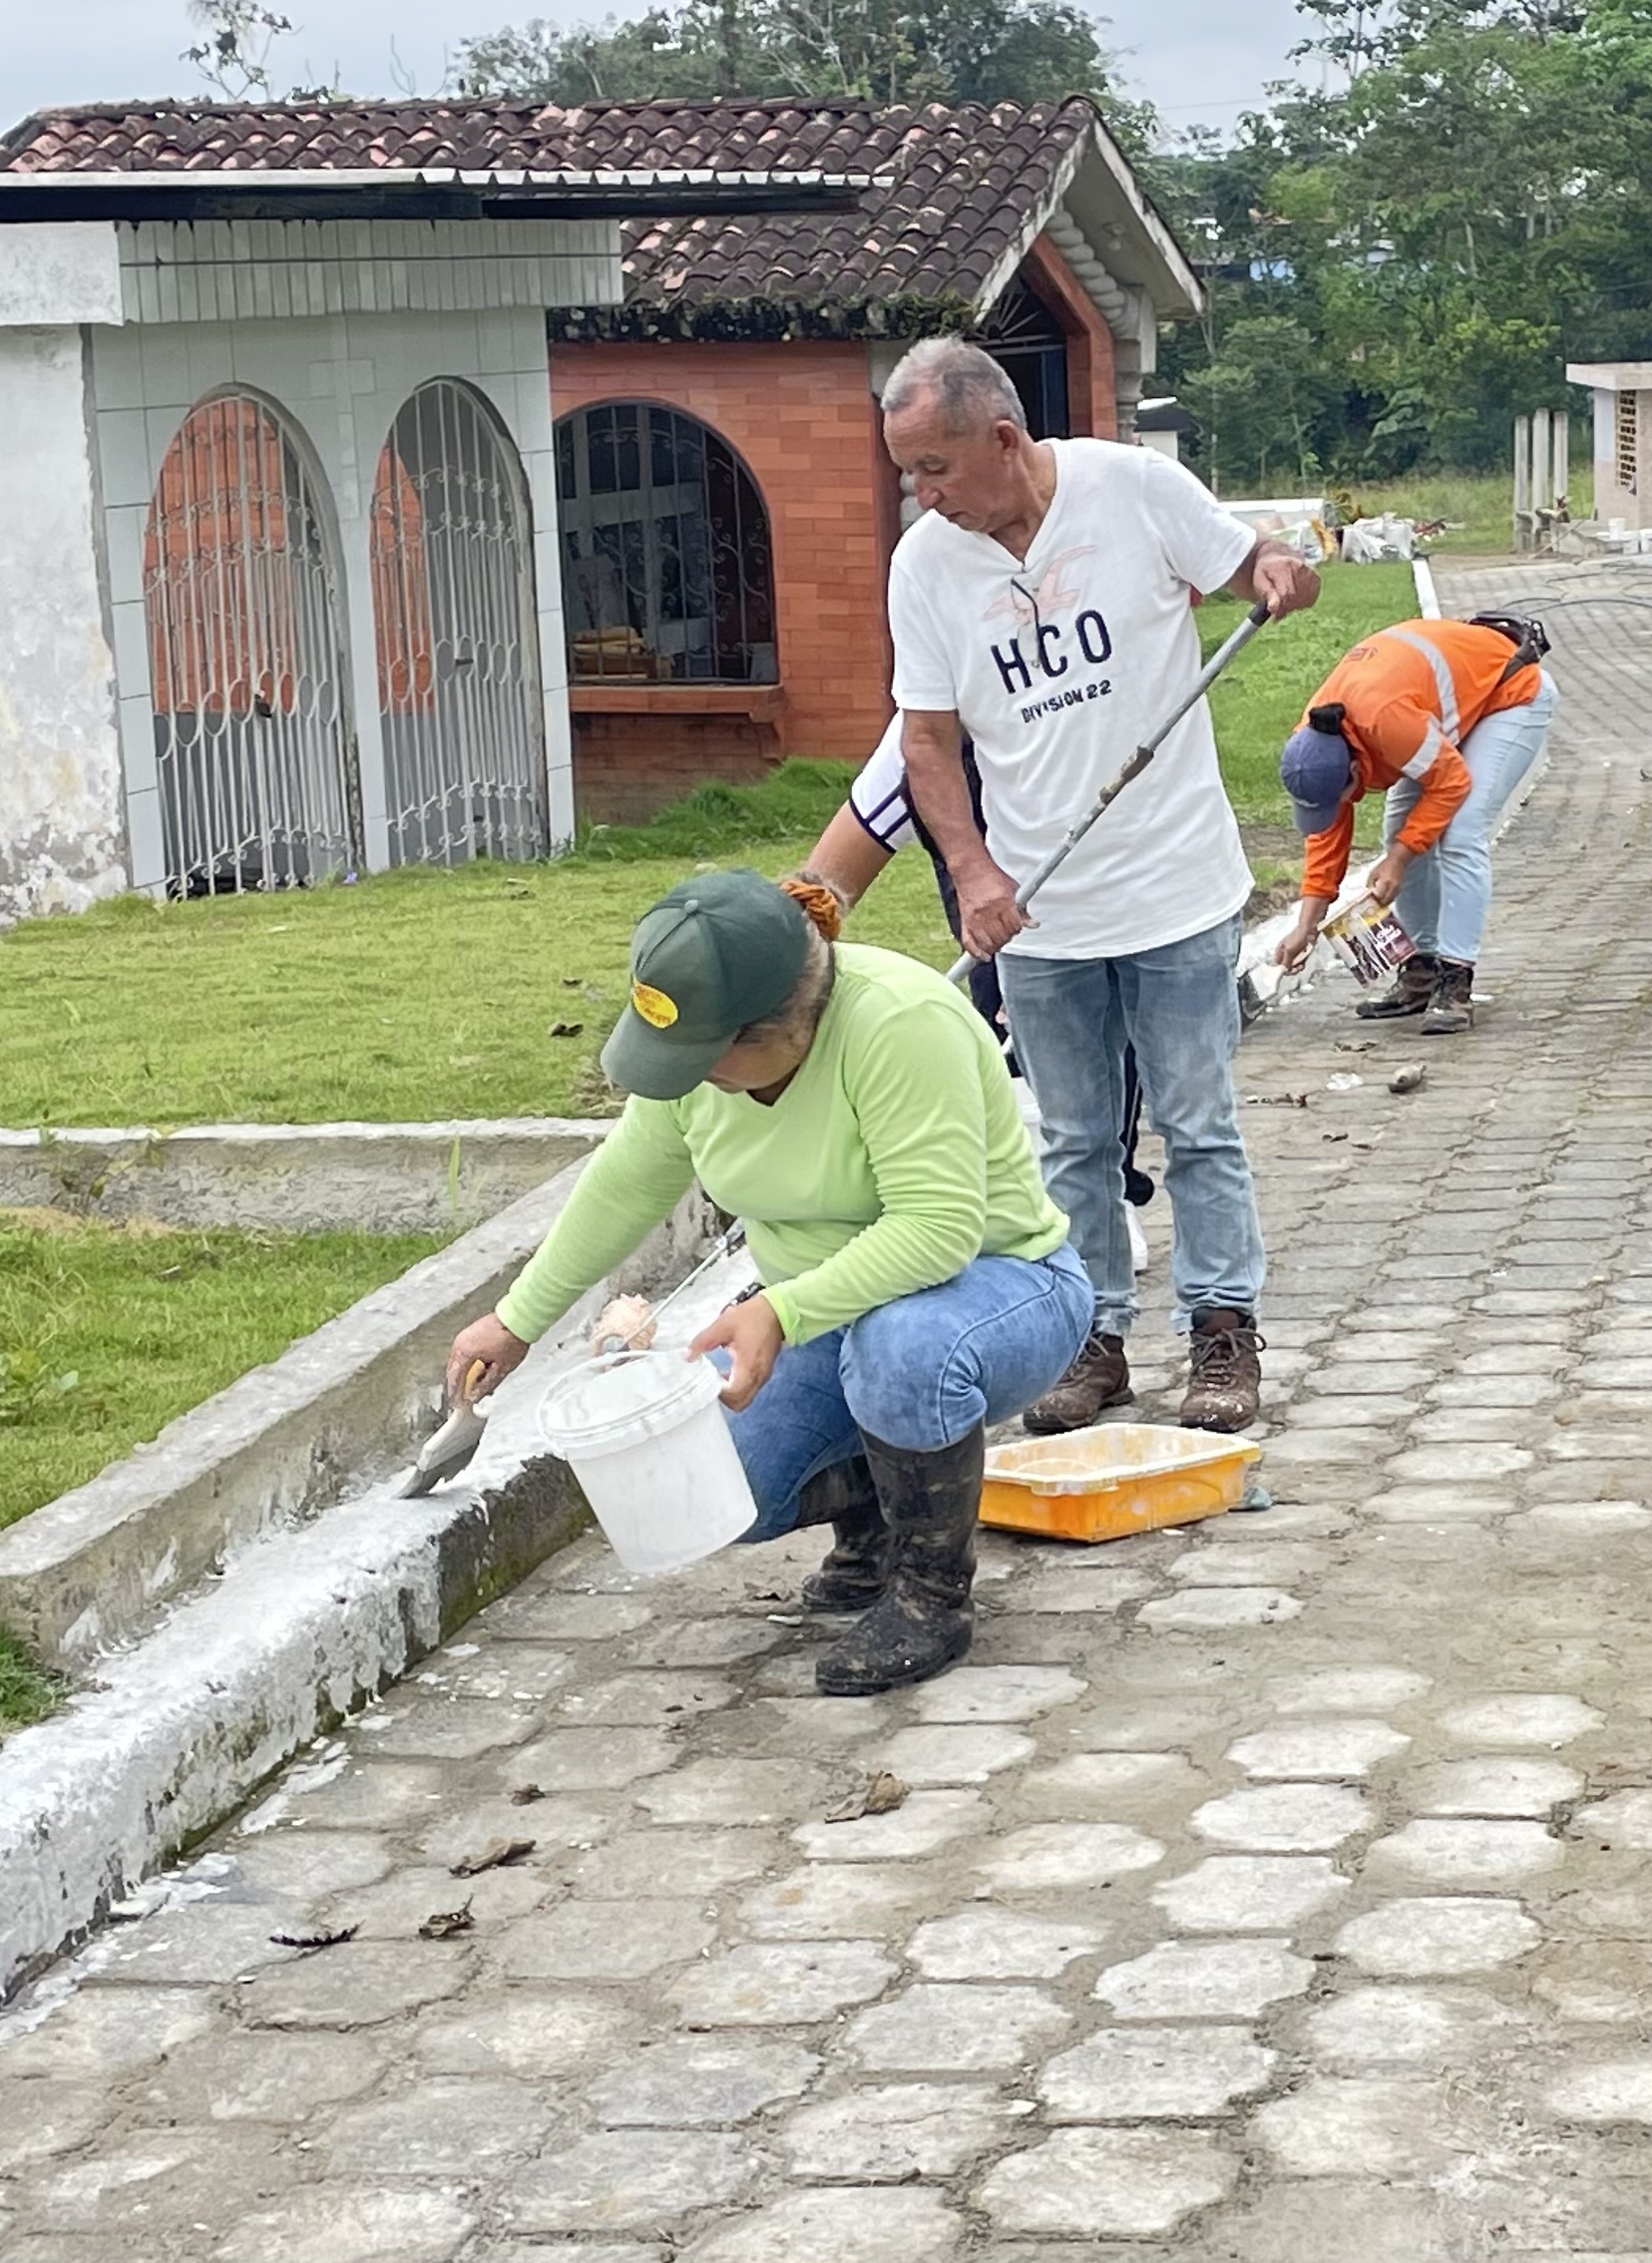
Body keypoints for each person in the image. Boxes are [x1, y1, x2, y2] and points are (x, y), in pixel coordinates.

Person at [443, 868, 1089, 1696]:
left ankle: (930, 1596)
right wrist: (516, 1322)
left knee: (902, 1346)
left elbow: (937, 1230)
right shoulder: (693, 1066)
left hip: (1000, 1288)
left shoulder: (900, 1023)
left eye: (702, 1056)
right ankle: (877, 1517)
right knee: (707, 1477)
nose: (683, 1075)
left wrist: (781, 1310)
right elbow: (627, 1180)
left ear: (788, 1024)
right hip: (823, 1314)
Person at [878, 334, 1317, 1436]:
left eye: (934, 467)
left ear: (1002, 438)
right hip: (1037, 911)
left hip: (1176, 887)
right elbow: (926, 742)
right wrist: (973, 872)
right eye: (908, 473)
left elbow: (1254, 562)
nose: (922, 495)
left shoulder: (1131, 488)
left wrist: (1280, 571)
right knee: (1072, 1141)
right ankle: (1090, 1338)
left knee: (1197, 1123)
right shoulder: (924, 566)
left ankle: (1222, 1331)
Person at [800, 722, 1156, 1211]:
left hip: (1123, 914)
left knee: (1110, 1103)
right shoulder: (919, 740)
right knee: (1037, 1112)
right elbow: (817, 896)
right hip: (1005, 944)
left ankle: (1110, 1188)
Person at [1270, 618, 1560, 1036]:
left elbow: (1451, 782)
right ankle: (1421, 972)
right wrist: (1306, 926)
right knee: (1400, 831)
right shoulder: (1316, 740)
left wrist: (1400, 860)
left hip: (1509, 695)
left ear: (1355, 770)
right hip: (1437, 712)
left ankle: (1455, 982)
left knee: (1460, 833)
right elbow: (1327, 835)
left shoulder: (1384, 721)